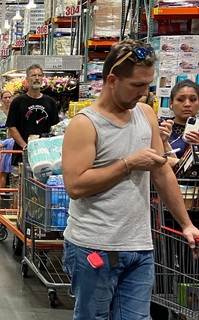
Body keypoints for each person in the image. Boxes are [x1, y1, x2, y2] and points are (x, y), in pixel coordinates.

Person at [62, 39, 199, 319]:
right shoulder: (85, 125)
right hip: (94, 247)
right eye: (137, 85)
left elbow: (161, 172)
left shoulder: (146, 114)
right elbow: (75, 186)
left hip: (140, 248)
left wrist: (187, 224)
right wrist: (128, 164)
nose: (144, 93)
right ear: (112, 80)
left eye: (148, 85)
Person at [5, 64, 59, 166]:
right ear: (27, 79)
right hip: (23, 154)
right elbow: (12, 126)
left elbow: (54, 127)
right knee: (22, 180)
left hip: (45, 155)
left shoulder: (50, 102)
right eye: (33, 75)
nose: (37, 78)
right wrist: (25, 146)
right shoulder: (17, 102)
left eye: (40, 75)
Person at [158, 80, 199, 160]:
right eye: (180, 100)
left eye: (193, 100)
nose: (187, 104)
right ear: (171, 104)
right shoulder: (161, 126)